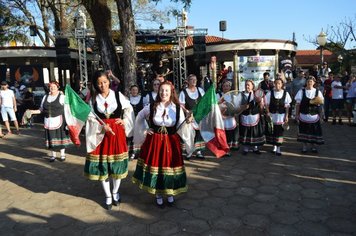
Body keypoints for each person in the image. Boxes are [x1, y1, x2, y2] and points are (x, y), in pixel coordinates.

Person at [132, 80, 191, 208]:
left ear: (171, 93)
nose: (164, 93)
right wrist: (145, 129)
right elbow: (139, 117)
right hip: (155, 142)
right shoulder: (152, 106)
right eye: (162, 90)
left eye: (166, 91)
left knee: (170, 167)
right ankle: (158, 194)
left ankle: (169, 193)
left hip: (171, 142)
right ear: (158, 91)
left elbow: (182, 125)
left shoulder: (177, 108)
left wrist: (188, 121)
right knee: (157, 167)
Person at [84, 70, 134, 210]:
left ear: (109, 82)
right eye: (99, 83)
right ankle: (107, 196)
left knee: (116, 167)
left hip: (116, 134)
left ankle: (115, 192)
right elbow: (90, 117)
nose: (103, 85)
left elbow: (129, 109)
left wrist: (125, 121)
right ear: (95, 84)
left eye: (105, 82)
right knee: (103, 167)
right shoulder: (93, 99)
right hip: (101, 135)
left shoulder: (118, 95)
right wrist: (100, 126)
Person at [37, 81, 72, 161]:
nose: (52, 88)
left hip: (60, 120)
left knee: (60, 136)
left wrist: (69, 121)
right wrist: (32, 112)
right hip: (48, 121)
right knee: (51, 137)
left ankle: (62, 155)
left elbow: (68, 109)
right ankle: (53, 155)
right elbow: (41, 109)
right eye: (50, 86)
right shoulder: (45, 97)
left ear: (57, 87)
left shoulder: (62, 97)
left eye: (54, 86)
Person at [179, 74, 206, 160]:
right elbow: (181, 105)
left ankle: (199, 151)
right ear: (188, 81)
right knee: (189, 133)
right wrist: (187, 112)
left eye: (195, 79)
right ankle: (189, 151)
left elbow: (204, 102)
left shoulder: (200, 90)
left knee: (199, 133)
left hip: (199, 116)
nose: (194, 81)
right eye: (191, 79)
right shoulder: (184, 92)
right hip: (188, 116)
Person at [295, 76, 324, 153]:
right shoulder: (301, 92)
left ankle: (313, 146)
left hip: (314, 116)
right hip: (303, 115)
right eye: (308, 81)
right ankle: (304, 146)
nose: (309, 83)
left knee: (314, 131)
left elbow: (321, 105)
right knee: (304, 131)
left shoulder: (318, 92)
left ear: (314, 83)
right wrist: (296, 115)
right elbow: (298, 105)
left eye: (311, 81)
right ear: (306, 82)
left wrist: (321, 116)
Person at [235, 79, 265, 155]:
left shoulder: (256, 94)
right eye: (246, 85)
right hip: (245, 116)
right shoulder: (241, 94)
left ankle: (255, 148)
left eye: (248, 85)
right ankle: (246, 149)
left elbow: (261, 106)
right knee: (245, 132)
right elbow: (237, 106)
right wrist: (243, 107)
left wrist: (260, 103)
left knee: (255, 132)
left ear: (252, 86)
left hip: (254, 116)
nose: (247, 86)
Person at [265, 78, 292, 155]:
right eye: (276, 83)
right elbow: (266, 104)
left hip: (281, 115)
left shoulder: (286, 93)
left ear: (282, 84)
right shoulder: (270, 93)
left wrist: (286, 116)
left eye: (279, 83)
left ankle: (279, 148)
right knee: (273, 131)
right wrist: (268, 112)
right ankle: (274, 146)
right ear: (274, 84)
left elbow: (287, 106)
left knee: (280, 131)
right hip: (273, 115)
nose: (277, 85)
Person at [217, 80, 239, 155]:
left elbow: (236, 107)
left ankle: (228, 148)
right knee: (222, 133)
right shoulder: (219, 95)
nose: (226, 87)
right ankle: (223, 148)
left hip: (230, 118)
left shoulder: (233, 96)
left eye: (227, 86)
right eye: (224, 86)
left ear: (230, 87)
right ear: (222, 87)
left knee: (229, 133)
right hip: (221, 118)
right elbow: (214, 106)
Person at [128, 84, 144, 159]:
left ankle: (139, 153)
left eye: (136, 90)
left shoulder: (142, 99)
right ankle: (132, 152)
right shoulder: (128, 99)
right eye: (133, 90)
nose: (134, 91)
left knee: (140, 135)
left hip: (139, 120)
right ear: (131, 91)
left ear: (138, 91)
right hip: (131, 120)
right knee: (132, 135)